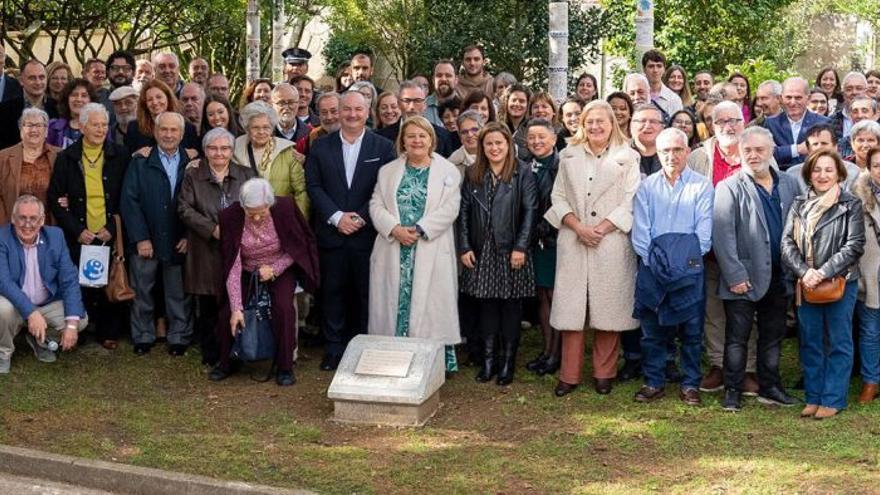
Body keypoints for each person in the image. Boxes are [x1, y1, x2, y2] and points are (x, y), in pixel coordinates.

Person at [543, 101, 640, 396]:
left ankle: (604, 373)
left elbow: (631, 200)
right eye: (590, 121)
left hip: (610, 241)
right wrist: (578, 227)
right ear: (582, 124)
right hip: (574, 238)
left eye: (601, 121)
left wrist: (601, 229)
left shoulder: (628, 157)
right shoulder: (568, 155)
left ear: (613, 124)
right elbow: (557, 197)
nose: (595, 126)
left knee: (608, 310)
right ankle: (569, 375)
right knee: (572, 311)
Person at [304, 91, 396, 371]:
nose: (352, 114)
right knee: (332, 292)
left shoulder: (383, 147)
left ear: (368, 112)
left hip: (367, 235)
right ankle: (333, 348)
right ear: (338, 112)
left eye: (358, 109)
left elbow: (385, 189)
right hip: (332, 234)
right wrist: (336, 217)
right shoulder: (320, 147)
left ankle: (363, 347)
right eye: (347, 109)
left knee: (366, 293)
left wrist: (360, 218)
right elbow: (314, 187)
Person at [712, 126, 801, 411]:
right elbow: (722, 236)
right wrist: (735, 275)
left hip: (780, 275)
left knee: (772, 337)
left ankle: (770, 387)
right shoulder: (728, 187)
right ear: (740, 153)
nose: (753, 155)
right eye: (747, 150)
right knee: (737, 339)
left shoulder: (788, 184)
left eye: (759, 149)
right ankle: (733, 392)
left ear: (772, 151)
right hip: (743, 277)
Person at [367, 116, 462, 372]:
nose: (417, 141)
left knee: (432, 307)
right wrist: (394, 229)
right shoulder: (388, 171)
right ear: (403, 141)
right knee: (393, 304)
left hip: (429, 247)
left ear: (432, 139)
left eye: (422, 136)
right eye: (411, 136)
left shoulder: (448, 172)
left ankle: (430, 363)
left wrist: (420, 230)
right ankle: (393, 357)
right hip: (394, 247)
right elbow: (375, 204)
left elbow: (451, 208)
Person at [632, 128, 714, 406]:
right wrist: (658, 267)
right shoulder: (646, 187)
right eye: (666, 150)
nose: (672, 155)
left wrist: (680, 268)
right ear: (657, 152)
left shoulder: (702, 186)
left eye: (678, 149)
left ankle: (690, 383)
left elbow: (702, 237)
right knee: (652, 332)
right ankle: (653, 381)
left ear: (687, 152)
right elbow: (642, 236)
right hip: (652, 272)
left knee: (691, 333)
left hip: (689, 273)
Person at [782, 149, 865, 419]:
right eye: (817, 169)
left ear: (839, 173)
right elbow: (786, 244)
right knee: (811, 341)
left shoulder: (850, 204)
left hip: (840, 282)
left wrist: (824, 272)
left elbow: (854, 245)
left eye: (828, 169)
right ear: (809, 173)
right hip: (806, 284)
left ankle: (833, 398)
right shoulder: (798, 203)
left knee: (839, 341)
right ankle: (814, 396)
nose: (822, 175)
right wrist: (805, 272)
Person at [211, 178, 319, 385]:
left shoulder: (285, 208)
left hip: (279, 266)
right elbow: (231, 263)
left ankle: (285, 366)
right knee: (228, 311)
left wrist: (275, 269)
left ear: (270, 204)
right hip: (245, 268)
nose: (258, 217)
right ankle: (227, 361)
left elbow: (298, 248)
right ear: (242, 207)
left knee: (283, 307)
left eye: (263, 211)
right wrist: (236, 308)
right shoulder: (230, 217)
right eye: (252, 213)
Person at [688, 100, 759, 394]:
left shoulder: (754, 154)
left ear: (744, 122)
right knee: (713, 311)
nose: (729, 127)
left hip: (746, 250)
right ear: (712, 125)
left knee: (747, 311)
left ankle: (748, 368)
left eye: (734, 121)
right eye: (721, 122)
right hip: (708, 250)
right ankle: (718, 364)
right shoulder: (698, 158)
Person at [458, 122, 536, 385]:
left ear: (508, 145)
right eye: (489, 143)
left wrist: (521, 246)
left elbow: (530, 213)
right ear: (482, 147)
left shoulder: (522, 172)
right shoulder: (473, 173)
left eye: (499, 143)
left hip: (511, 249)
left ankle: (507, 363)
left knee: (511, 306)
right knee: (487, 305)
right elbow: (465, 213)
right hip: (482, 250)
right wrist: (465, 246)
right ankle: (489, 361)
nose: (494, 148)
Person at [47, 103, 129, 350]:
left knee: (107, 280)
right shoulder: (67, 157)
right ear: (82, 126)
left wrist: (112, 228)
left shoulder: (120, 155)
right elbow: (55, 198)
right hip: (80, 233)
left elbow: (128, 196)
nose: (101, 129)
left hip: (107, 230)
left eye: (104, 124)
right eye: (95, 124)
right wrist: (76, 230)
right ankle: (80, 329)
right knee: (80, 283)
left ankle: (108, 332)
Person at [178, 128, 256, 365]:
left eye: (224, 148)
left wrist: (236, 229)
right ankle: (212, 353)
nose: (219, 153)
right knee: (209, 304)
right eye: (213, 148)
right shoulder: (193, 175)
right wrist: (212, 229)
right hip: (204, 247)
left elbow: (257, 204)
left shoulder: (246, 174)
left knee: (235, 300)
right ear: (205, 150)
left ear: (232, 151)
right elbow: (184, 208)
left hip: (238, 247)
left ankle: (238, 349)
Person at [120, 112, 194, 356]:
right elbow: (129, 201)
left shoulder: (192, 163)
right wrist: (140, 237)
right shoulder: (140, 162)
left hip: (178, 238)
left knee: (178, 292)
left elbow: (198, 203)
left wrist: (188, 236)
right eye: (164, 130)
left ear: (182, 134)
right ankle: (143, 335)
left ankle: (179, 337)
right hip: (146, 240)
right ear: (155, 132)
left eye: (174, 130)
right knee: (142, 290)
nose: (169, 135)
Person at [0, 195, 88, 374]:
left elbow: (69, 279)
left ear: (42, 221)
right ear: (13, 219)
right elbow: (4, 281)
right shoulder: (2, 237)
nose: (27, 224)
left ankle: (41, 340)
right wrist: (30, 312)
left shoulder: (55, 236)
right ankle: (3, 353)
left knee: (80, 320)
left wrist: (71, 326)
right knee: (2, 310)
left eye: (33, 219)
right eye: (22, 218)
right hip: (15, 305)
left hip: (46, 304)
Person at [521, 118, 563, 378]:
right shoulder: (527, 166)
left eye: (541, 137)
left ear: (553, 139)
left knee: (555, 296)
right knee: (541, 295)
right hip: (534, 240)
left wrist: (548, 227)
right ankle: (547, 350)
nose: (536, 142)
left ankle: (557, 354)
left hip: (556, 238)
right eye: (532, 138)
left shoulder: (561, 166)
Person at [233, 101, 309, 217]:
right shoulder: (234, 150)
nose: (261, 132)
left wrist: (298, 221)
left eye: (266, 127)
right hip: (244, 218)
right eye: (255, 127)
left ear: (272, 127)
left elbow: (301, 192)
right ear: (247, 128)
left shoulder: (287, 151)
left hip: (279, 219)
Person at [852, 147, 880, 404]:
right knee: (870, 330)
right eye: (877, 165)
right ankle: (871, 381)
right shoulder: (857, 196)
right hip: (870, 274)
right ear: (870, 169)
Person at [0, 109, 59, 224]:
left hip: (48, 226)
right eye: (29, 125)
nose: (34, 130)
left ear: (46, 131)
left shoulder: (59, 156)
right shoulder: (3, 157)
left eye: (39, 125)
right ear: (21, 129)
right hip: (11, 226)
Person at [763, 77, 831, 170]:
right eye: (788, 97)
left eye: (798, 98)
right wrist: (797, 149)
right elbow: (768, 153)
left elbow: (827, 153)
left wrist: (783, 151)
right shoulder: (771, 123)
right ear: (780, 98)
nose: (793, 102)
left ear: (808, 98)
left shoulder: (823, 123)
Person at [376, 80, 454, 158]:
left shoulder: (443, 136)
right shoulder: (381, 138)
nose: (412, 107)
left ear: (425, 105)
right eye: (407, 101)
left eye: (417, 101)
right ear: (399, 104)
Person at [124, 79, 199, 155]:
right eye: (150, 99)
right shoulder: (134, 128)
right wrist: (136, 154)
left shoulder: (187, 128)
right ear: (145, 104)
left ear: (168, 98)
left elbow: (197, 157)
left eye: (159, 97)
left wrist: (194, 154)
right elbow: (127, 157)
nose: (155, 102)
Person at [0, 60, 58, 150]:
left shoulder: (58, 108)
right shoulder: (5, 110)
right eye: (32, 78)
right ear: (21, 81)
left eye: (42, 77)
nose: (38, 82)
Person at [786, 124, 861, 193]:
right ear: (808, 149)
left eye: (824, 143)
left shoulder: (853, 171)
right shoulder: (793, 174)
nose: (819, 147)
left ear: (835, 147)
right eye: (815, 144)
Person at [46, 79, 96, 150]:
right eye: (74, 95)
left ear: (91, 101)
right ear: (67, 99)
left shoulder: (101, 128)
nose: (79, 99)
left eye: (84, 96)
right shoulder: (53, 127)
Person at [829, 72, 868, 148]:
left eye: (859, 88)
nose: (854, 92)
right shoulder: (831, 121)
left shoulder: (876, 119)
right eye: (849, 89)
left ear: (866, 92)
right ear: (843, 93)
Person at [297, 92, 341, 156]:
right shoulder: (314, 136)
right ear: (319, 115)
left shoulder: (354, 134)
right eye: (324, 112)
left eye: (334, 111)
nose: (329, 117)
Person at [641, 49, 682, 116]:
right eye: (651, 66)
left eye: (659, 66)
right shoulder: (636, 96)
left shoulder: (673, 99)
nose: (655, 70)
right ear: (644, 69)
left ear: (664, 69)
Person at [497, 83, 531, 159]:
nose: (517, 104)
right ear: (507, 102)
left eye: (522, 101)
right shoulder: (497, 126)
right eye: (513, 100)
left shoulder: (533, 128)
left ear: (528, 104)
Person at [631, 104, 664, 177]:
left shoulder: (670, 156)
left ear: (662, 128)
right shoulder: (621, 157)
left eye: (653, 121)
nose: (648, 126)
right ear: (631, 126)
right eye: (642, 121)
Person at [425, 60, 458, 127]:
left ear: (456, 80)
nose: (443, 79)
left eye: (448, 75)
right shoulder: (422, 107)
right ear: (433, 80)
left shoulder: (466, 106)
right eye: (439, 75)